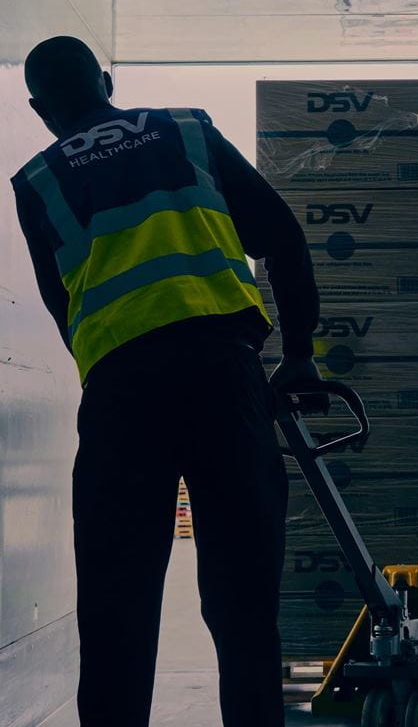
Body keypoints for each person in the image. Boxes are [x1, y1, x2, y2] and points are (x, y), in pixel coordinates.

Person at [11, 36, 326, 727]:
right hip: (222, 374)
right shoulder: (186, 130)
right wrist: (299, 351)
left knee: (115, 608)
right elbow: (281, 236)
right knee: (244, 605)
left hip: (121, 392)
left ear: (38, 109)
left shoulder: (37, 181)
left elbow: (65, 309)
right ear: (106, 80)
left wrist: (115, 376)